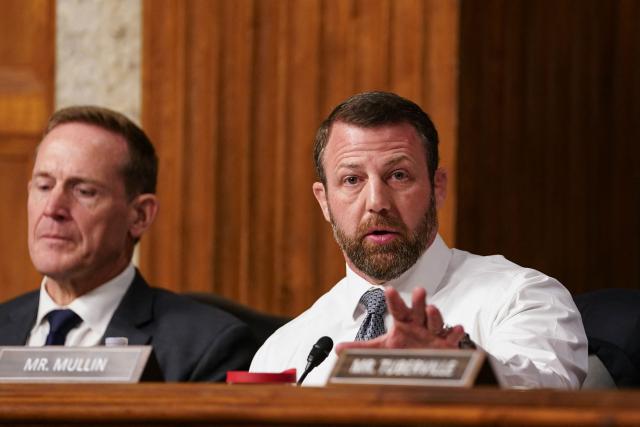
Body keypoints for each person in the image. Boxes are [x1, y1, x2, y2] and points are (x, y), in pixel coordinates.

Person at [250, 91, 587, 388]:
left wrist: (459, 367)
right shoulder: (284, 351)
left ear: (437, 187)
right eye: (352, 179)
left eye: (398, 175)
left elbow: (545, 399)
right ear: (324, 201)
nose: (376, 201)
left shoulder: (523, 297)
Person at [0, 106, 257, 381]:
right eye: (44, 186)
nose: (53, 208)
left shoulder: (205, 348)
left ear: (140, 215)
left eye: (84, 191)